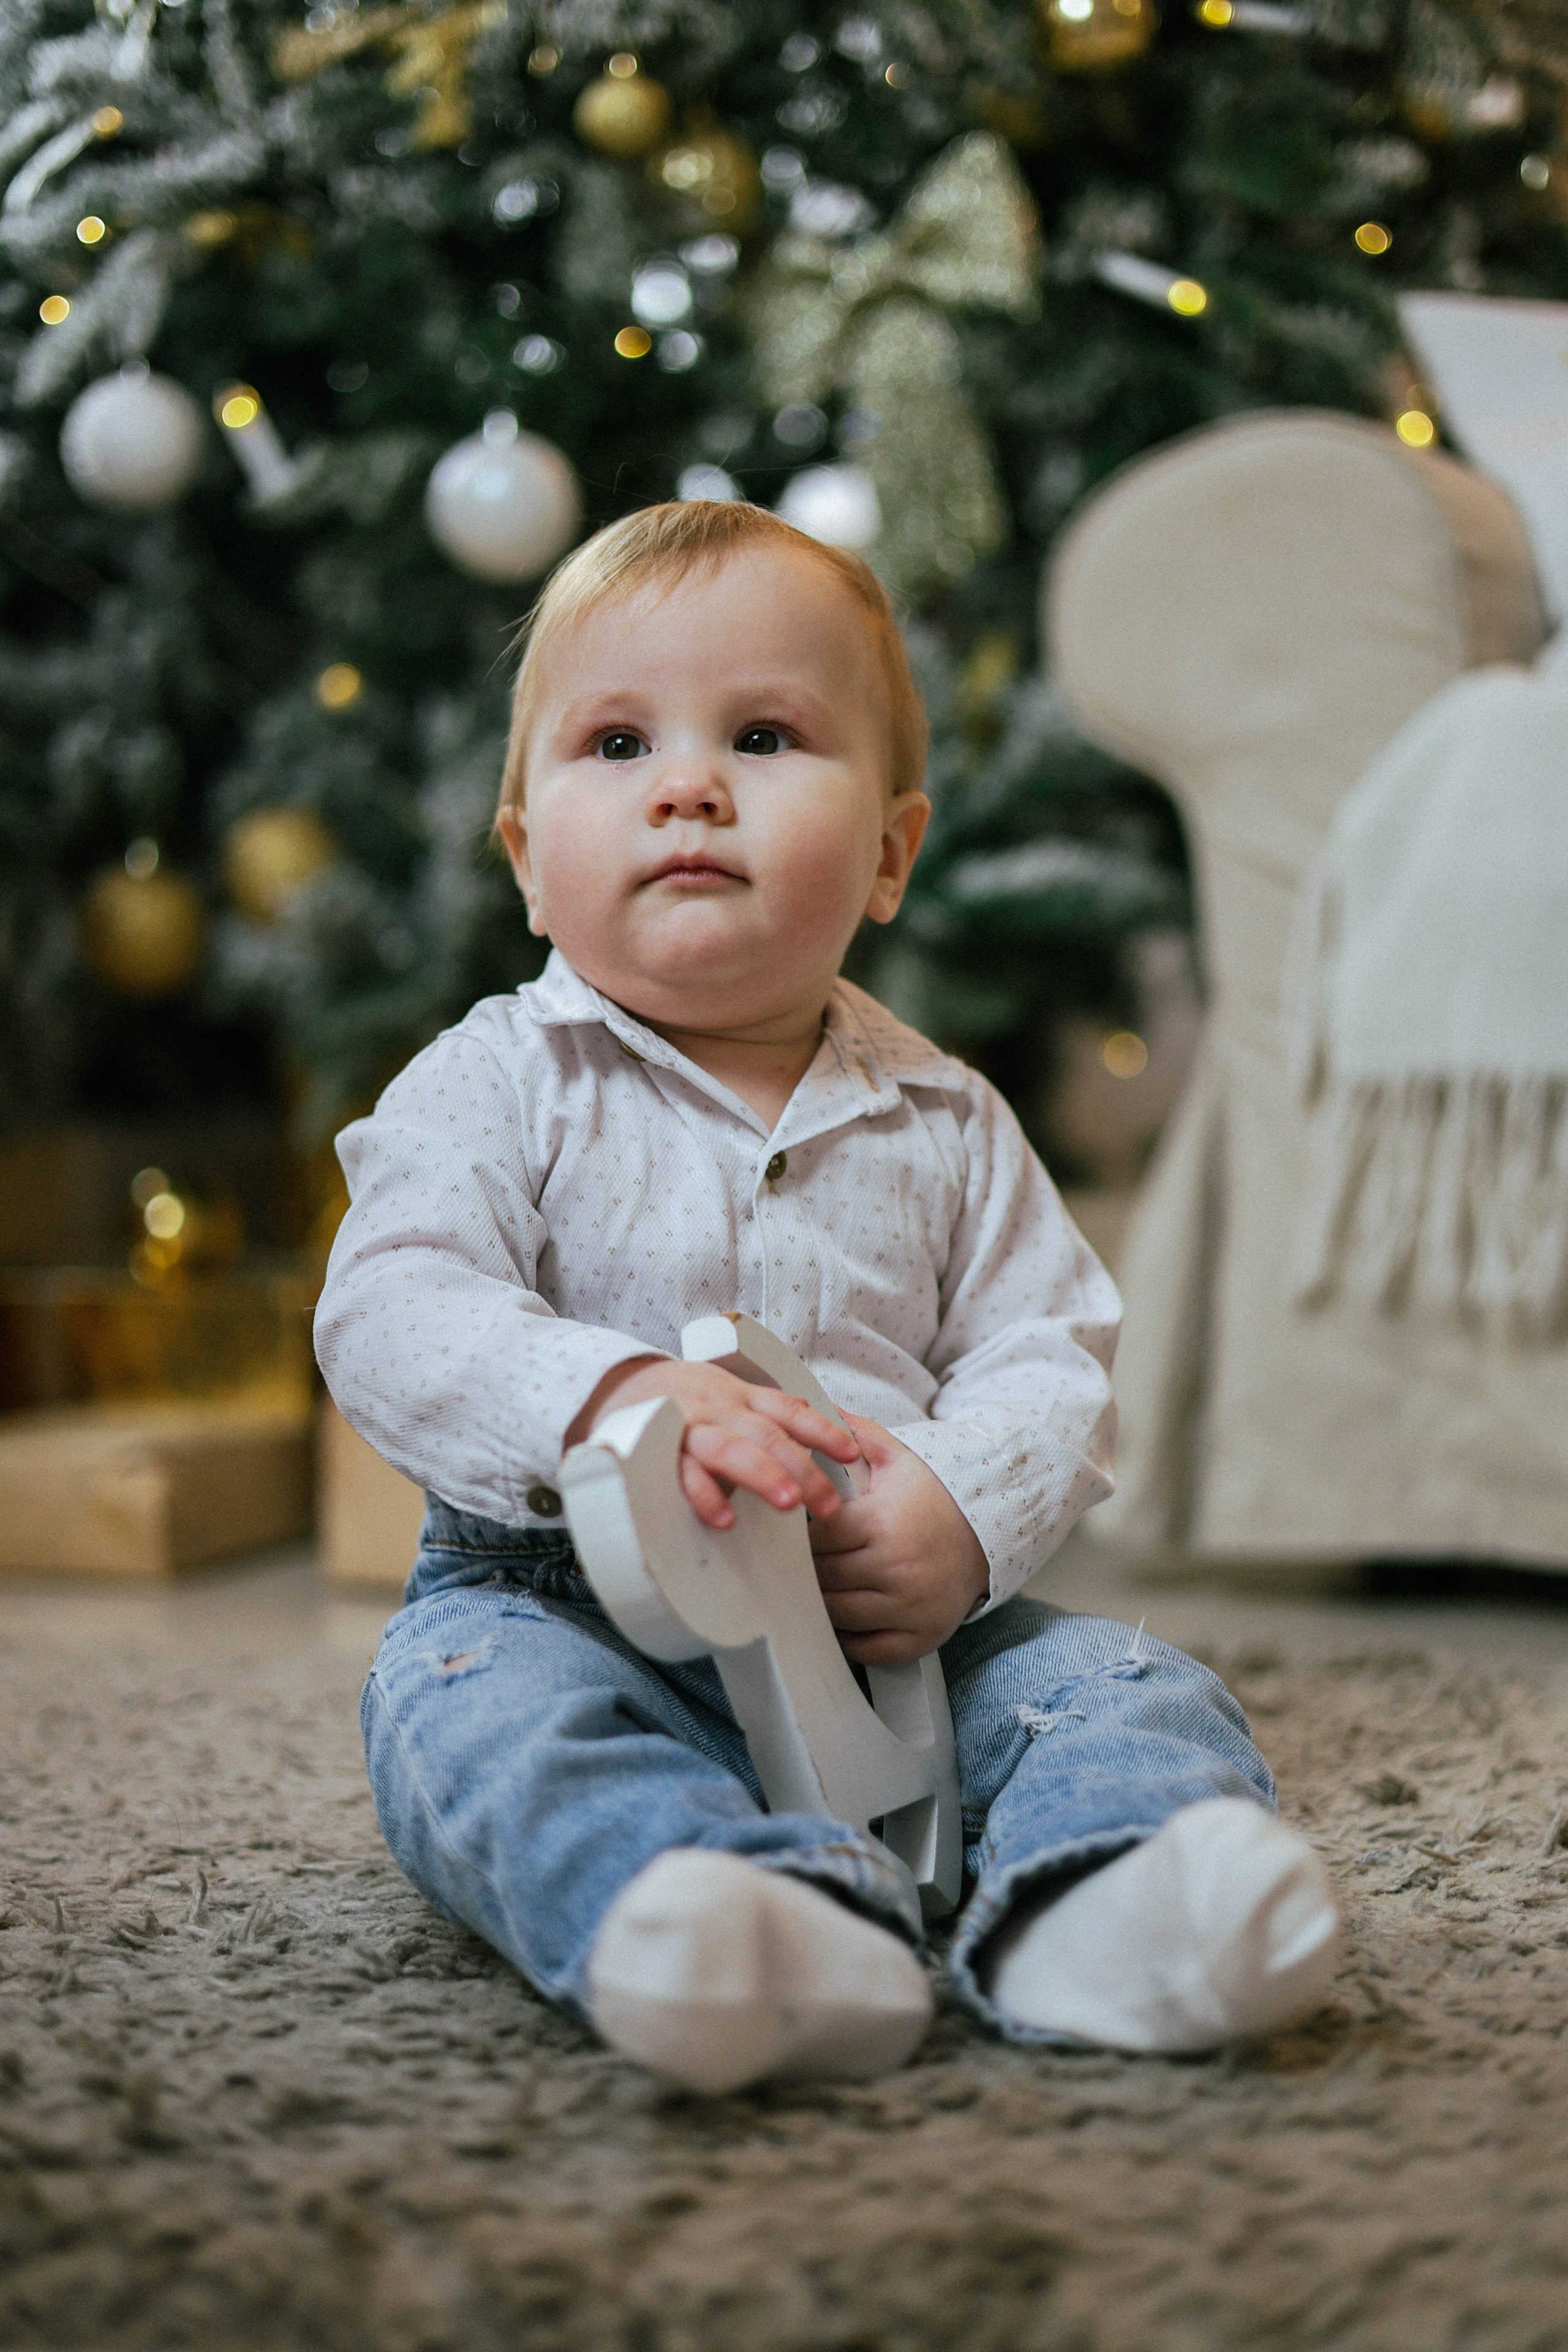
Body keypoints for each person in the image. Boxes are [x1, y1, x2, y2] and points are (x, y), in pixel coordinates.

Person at [316, 500, 1340, 2095]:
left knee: (1122, 1686)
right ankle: (717, 1913)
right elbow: (388, 1303)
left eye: (768, 734)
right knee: (463, 1716)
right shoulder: (494, 1085)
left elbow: (1046, 1347)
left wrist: (956, 1509)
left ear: (889, 854)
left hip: (897, 1627)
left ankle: (1115, 1901)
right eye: (615, 744)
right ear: (527, 863)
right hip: (560, 1596)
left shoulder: (947, 1118)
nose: (689, 785)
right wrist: (607, 1396)